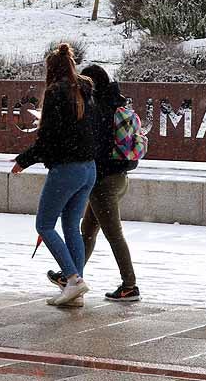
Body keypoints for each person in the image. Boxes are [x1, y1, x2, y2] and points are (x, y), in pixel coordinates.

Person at [12, 43, 97, 308]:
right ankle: (75, 292)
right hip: (88, 169)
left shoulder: (55, 93)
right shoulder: (85, 92)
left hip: (66, 169)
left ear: (51, 70)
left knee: (45, 225)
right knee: (71, 226)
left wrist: (22, 161)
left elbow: (47, 139)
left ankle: (72, 279)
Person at [48, 64, 140, 302]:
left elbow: (94, 149)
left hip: (103, 183)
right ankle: (72, 276)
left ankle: (130, 285)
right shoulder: (116, 101)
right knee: (87, 232)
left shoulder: (98, 109)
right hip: (119, 178)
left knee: (114, 235)